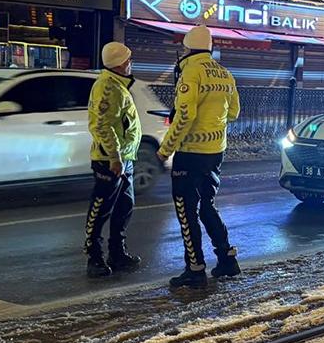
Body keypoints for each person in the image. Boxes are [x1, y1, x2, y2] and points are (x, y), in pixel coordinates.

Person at [158, 26, 242, 288]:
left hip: (190, 154)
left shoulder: (190, 72)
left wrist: (165, 149)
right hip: (216, 152)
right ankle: (227, 258)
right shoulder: (225, 73)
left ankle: (195, 269)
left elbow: (184, 116)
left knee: (186, 212)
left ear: (187, 48)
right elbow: (234, 113)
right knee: (207, 205)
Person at [83, 41, 143, 278]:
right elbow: (103, 126)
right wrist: (115, 157)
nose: (130, 63)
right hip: (110, 161)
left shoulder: (118, 85)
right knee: (101, 209)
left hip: (124, 158)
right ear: (119, 64)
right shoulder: (108, 88)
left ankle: (117, 252)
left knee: (124, 207)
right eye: (128, 60)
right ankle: (94, 256)